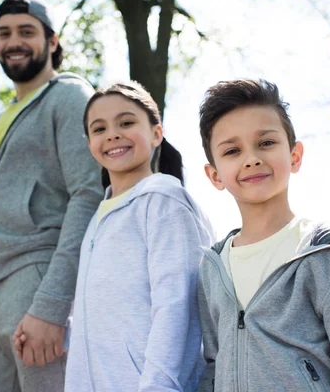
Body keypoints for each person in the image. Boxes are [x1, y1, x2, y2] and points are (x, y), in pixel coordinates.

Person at [0, 0, 103, 391]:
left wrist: (51, 305)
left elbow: (88, 195)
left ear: (52, 41)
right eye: (4, 33)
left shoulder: (70, 97)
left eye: (26, 32)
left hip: (41, 285)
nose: (14, 41)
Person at [15, 81, 214, 391]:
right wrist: (63, 331)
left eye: (126, 122)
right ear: (90, 145)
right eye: (99, 128)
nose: (112, 134)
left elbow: (178, 308)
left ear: (156, 134)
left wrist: (159, 387)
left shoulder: (164, 201)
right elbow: (106, 312)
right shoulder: (97, 219)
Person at [196, 79, 330, 391]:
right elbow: (213, 366)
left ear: (295, 156)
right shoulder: (212, 268)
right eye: (233, 150)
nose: (251, 158)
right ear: (215, 175)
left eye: (266, 143)